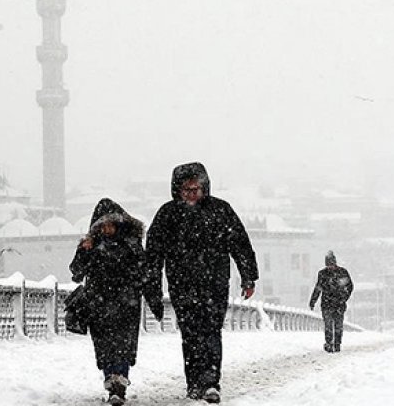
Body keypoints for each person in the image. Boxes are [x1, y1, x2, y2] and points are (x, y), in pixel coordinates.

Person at [145, 162, 259, 404]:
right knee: (190, 333)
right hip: (181, 284)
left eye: (196, 188)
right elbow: (153, 255)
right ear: (177, 190)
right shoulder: (167, 215)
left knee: (211, 331)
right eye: (187, 189)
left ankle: (210, 382)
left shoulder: (220, 210)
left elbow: (240, 244)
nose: (192, 194)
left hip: (214, 283)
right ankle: (194, 382)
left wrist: (248, 276)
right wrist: (152, 289)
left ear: (205, 187)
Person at [70, 198, 161, 406]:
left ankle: (118, 383)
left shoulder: (132, 246)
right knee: (104, 346)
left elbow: (145, 275)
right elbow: (76, 273)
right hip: (99, 305)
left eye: (111, 224)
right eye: (103, 225)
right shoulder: (91, 246)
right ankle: (111, 380)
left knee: (123, 345)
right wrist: (84, 251)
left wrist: (153, 299)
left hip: (125, 305)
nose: (107, 229)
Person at [309, 250, 354, 353]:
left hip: (338, 304)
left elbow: (350, 286)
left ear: (335, 263)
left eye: (331, 264)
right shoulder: (323, 274)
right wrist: (313, 301)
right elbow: (318, 288)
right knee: (328, 325)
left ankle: (337, 344)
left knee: (338, 325)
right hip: (327, 304)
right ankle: (329, 344)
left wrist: (344, 298)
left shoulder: (342, 272)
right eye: (328, 265)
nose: (330, 267)